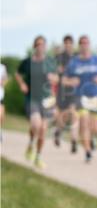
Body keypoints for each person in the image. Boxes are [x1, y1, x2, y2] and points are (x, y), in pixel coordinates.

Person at [63, 35, 97, 163]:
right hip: (81, 96)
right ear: (79, 45)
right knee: (83, 124)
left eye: (86, 42)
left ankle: (91, 139)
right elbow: (63, 79)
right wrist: (70, 81)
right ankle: (87, 152)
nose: (84, 45)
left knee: (96, 128)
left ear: (89, 44)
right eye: (82, 43)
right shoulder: (74, 62)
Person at [15, 36, 59, 169]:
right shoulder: (28, 62)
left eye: (43, 44)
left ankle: (38, 156)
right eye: (38, 44)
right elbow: (17, 74)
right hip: (32, 98)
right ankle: (30, 143)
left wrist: (54, 78)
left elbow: (57, 78)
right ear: (35, 46)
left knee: (43, 129)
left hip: (46, 99)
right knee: (36, 125)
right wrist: (22, 84)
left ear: (45, 46)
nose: (40, 47)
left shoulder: (50, 61)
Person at [53, 35, 79, 152]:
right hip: (62, 91)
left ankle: (74, 140)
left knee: (73, 114)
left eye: (70, 43)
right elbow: (57, 71)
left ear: (72, 44)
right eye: (66, 43)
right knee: (63, 116)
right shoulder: (60, 57)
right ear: (64, 44)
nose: (68, 45)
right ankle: (58, 131)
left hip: (74, 92)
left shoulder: (77, 57)